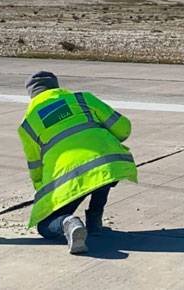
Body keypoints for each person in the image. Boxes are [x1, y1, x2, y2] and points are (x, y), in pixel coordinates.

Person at [18, 71, 137, 254]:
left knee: (44, 226)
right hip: (106, 164)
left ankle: (68, 222)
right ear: (56, 87)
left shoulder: (28, 124)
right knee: (101, 170)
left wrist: (45, 194)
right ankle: (95, 220)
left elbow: (35, 166)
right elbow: (123, 128)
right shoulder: (83, 98)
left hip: (67, 178)